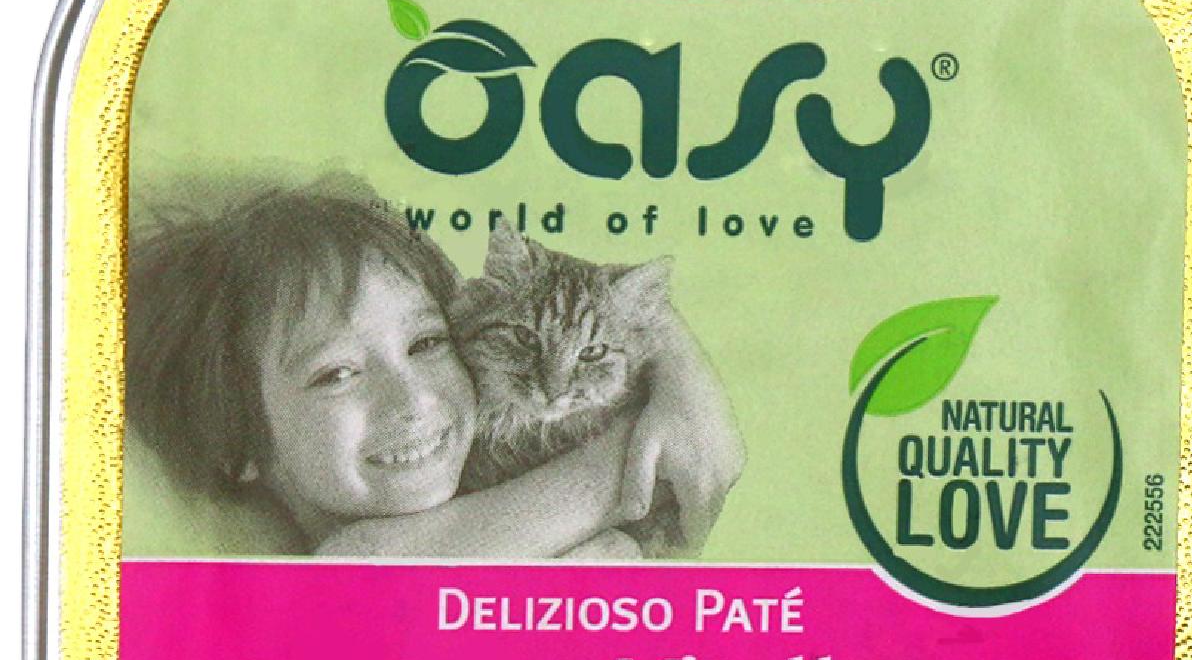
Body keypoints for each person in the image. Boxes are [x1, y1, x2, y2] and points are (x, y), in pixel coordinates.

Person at [126, 180, 743, 558]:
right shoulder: (338, 579)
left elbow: (579, 307)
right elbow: (367, 561)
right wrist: (680, 429)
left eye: (426, 342)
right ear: (234, 437)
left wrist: (684, 384)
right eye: (336, 374)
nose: (414, 399)